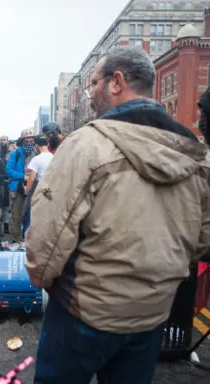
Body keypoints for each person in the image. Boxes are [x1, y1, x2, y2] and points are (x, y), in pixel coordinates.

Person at [26, 46, 210, 383]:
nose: (91, 91)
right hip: (151, 315)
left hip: (85, 312)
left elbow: (48, 235)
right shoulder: (193, 151)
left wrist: (44, 281)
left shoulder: (87, 144)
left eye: (94, 82)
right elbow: (203, 237)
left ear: (117, 82)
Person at [5, 128, 36, 243]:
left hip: (33, 189)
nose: (29, 144)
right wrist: (23, 176)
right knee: (16, 216)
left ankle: (29, 241)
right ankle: (15, 240)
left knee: (31, 216)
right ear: (22, 141)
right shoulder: (16, 153)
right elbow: (8, 170)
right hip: (17, 189)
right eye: (26, 141)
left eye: (31, 141)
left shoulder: (37, 153)